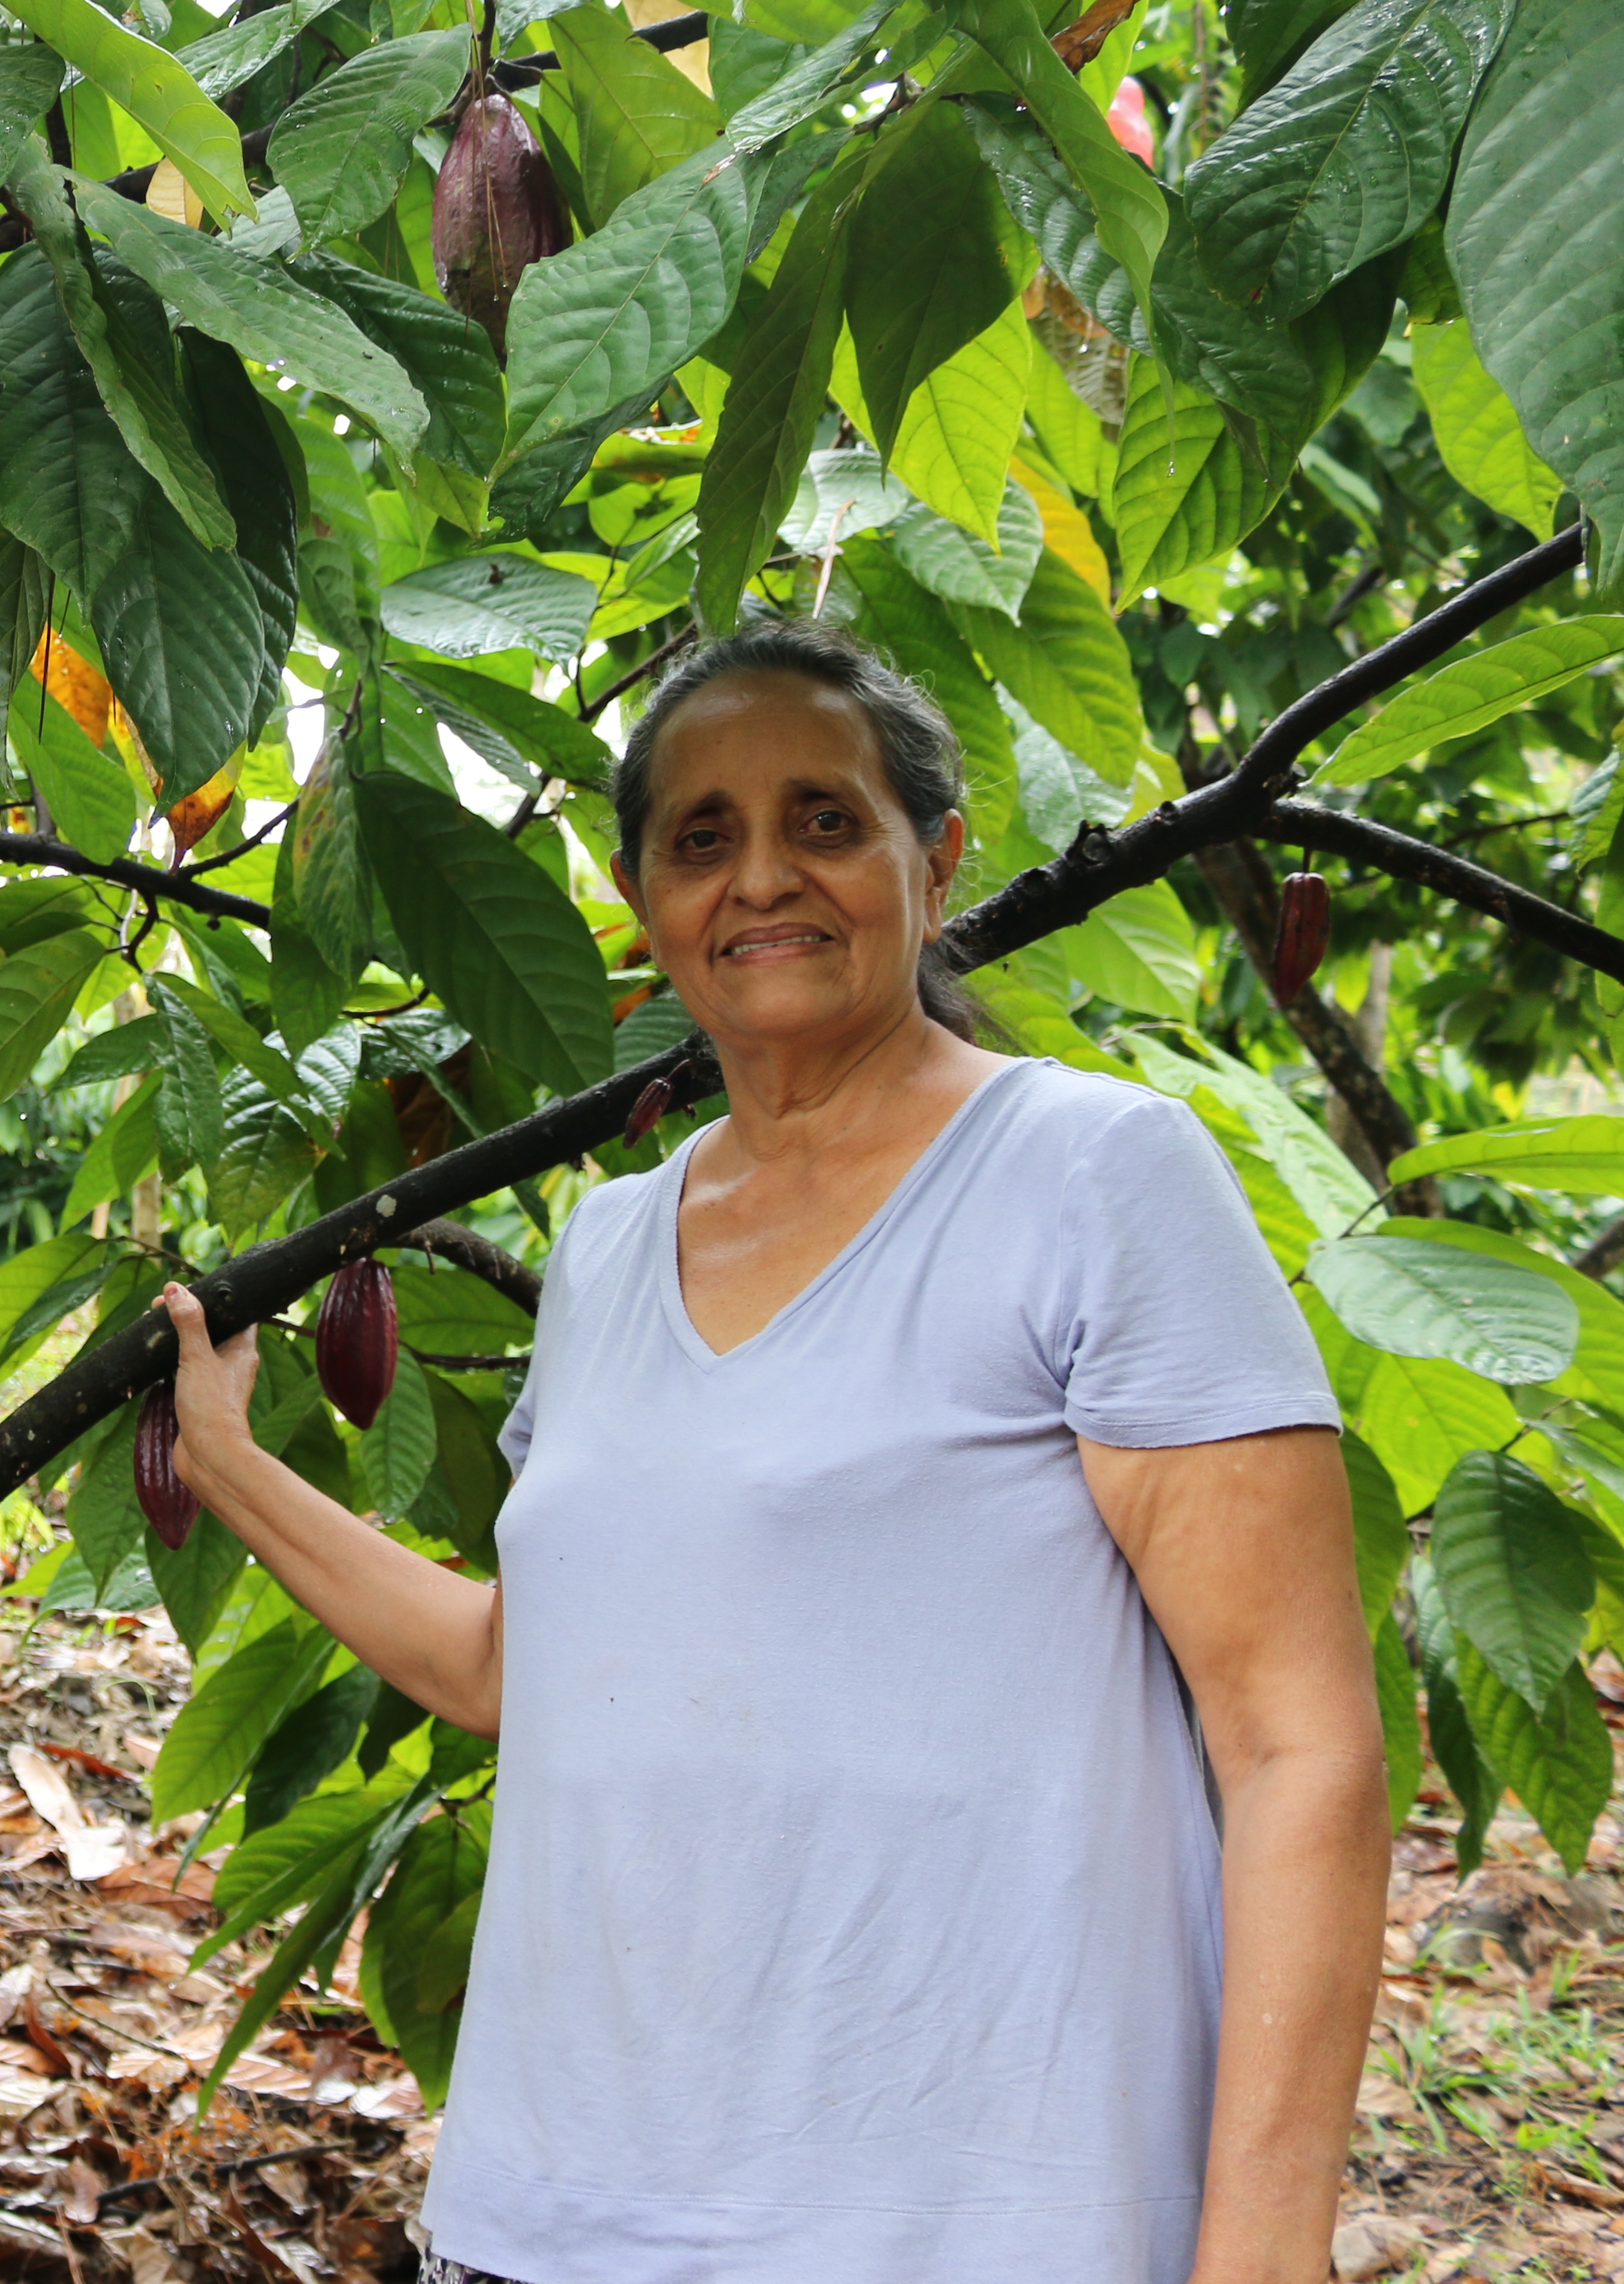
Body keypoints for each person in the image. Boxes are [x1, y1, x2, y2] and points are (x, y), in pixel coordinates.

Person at [161, 623, 1388, 2284]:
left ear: (934, 859)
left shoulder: (1094, 1176)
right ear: (642, 896)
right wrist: (230, 1464)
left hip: (969, 2224)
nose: (762, 880)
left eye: (824, 821)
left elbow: (1297, 1751)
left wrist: (1262, 2259)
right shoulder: (605, 1249)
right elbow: (524, 1669)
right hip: (563, 2209)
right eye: (703, 838)